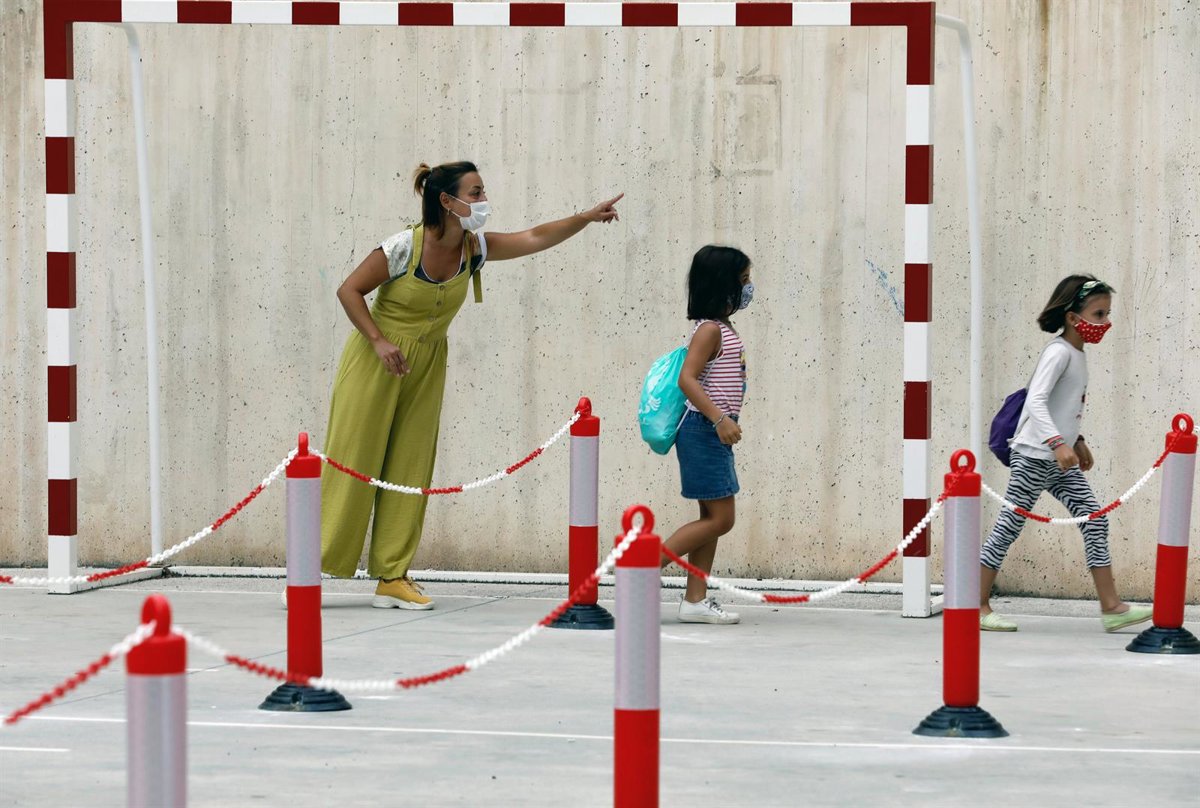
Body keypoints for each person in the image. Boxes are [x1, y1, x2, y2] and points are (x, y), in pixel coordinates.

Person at [321, 160, 622, 610]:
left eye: (483, 192)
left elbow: (535, 237)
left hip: (426, 364)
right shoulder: (404, 247)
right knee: (354, 460)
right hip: (375, 359)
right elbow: (349, 290)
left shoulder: (474, 248)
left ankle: (392, 576)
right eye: (475, 193)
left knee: (410, 468)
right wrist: (379, 341)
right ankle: (310, 569)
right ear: (447, 201)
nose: (483, 201)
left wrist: (585, 218)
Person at [980, 275, 1152, 632]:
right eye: (1099, 314)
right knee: (1009, 526)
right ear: (1073, 318)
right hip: (1034, 456)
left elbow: (1064, 406)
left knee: (1094, 519)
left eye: (1107, 314)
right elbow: (1037, 400)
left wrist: (1077, 441)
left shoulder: (1076, 354)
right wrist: (1058, 443)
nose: (1105, 322)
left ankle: (1112, 608)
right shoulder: (1058, 353)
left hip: (1059, 459)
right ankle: (975, 605)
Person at [659, 246, 753, 625]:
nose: (748, 288)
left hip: (710, 431)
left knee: (709, 517)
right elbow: (687, 379)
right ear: (723, 285)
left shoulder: (720, 328)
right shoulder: (710, 330)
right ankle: (644, 566)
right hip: (703, 429)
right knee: (722, 519)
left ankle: (695, 600)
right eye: (743, 281)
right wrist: (719, 420)